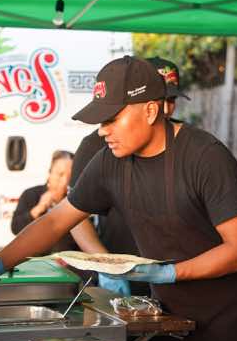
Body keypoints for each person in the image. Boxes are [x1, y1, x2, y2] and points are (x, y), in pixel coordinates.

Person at [0, 56, 237, 341]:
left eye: (112, 119)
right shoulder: (110, 162)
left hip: (225, 324)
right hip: (167, 320)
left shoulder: (205, 157)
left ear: (150, 111)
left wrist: (171, 272)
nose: (102, 130)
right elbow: (57, 220)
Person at [69, 56, 189, 296]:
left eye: (172, 100)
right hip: (122, 277)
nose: (166, 109)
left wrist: (176, 272)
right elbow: (73, 218)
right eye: (162, 99)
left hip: (179, 279)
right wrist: (107, 267)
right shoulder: (96, 146)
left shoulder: (188, 143)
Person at [11, 149, 76, 254]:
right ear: (50, 173)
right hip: (34, 259)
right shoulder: (31, 194)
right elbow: (16, 228)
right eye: (60, 174)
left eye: (70, 177)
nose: (64, 182)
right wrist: (38, 209)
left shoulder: (75, 200)